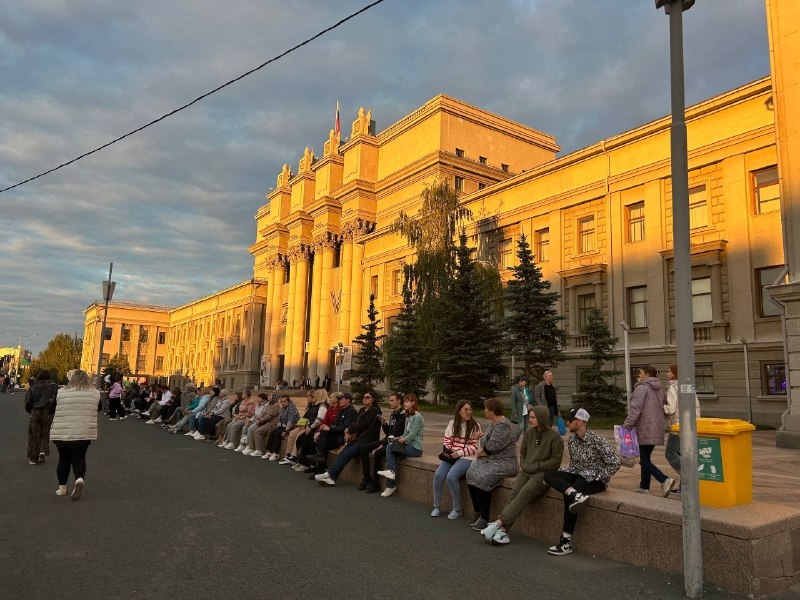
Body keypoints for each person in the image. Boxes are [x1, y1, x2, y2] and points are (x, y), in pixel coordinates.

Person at [479, 405, 563, 544]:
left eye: (532, 417)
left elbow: (555, 462)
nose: (529, 420)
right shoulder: (529, 433)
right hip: (526, 472)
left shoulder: (555, 438)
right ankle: (503, 532)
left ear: (541, 418)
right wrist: (524, 465)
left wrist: (536, 466)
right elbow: (523, 452)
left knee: (523, 495)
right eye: (529, 417)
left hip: (542, 476)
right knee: (513, 496)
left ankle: (498, 523)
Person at [543, 407, 620, 556]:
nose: (567, 423)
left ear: (579, 422)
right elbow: (574, 465)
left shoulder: (597, 440)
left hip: (596, 480)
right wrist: (563, 472)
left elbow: (615, 463)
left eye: (570, 420)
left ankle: (566, 542)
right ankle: (575, 494)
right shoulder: (572, 440)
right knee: (549, 475)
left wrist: (597, 475)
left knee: (569, 493)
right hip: (578, 474)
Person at [465, 398, 519, 531]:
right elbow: (488, 440)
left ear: (492, 412)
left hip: (505, 462)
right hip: (491, 459)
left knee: (484, 478)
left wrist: (479, 453)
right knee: (470, 473)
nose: (484, 411)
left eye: (486, 409)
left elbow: (491, 448)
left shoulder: (503, 426)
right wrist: (480, 436)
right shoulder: (493, 423)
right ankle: (477, 510)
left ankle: (484, 518)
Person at [49, 370, 100, 500]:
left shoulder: (62, 392)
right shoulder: (94, 393)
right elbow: (99, 407)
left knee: (63, 459)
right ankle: (79, 480)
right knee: (79, 458)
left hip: (62, 432)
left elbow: (51, 408)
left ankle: (62, 489)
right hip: (83, 432)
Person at [624, 365, 674, 497]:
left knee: (644, 460)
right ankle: (644, 486)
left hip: (645, 427)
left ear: (646, 375)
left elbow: (635, 409)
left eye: (640, 373)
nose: (638, 375)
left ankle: (664, 479)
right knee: (645, 457)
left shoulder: (641, 388)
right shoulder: (659, 388)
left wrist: (627, 425)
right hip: (656, 426)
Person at [315, 390, 382, 486]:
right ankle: (332, 479)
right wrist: (348, 432)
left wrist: (348, 430)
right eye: (363, 397)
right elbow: (355, 423)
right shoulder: (363, 410)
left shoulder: (374, 411)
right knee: (342, 453)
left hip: (367, 440)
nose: (364, 399)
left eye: (367, 397)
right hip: (357, 439)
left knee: (346, 454)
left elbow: (362, 425)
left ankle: (329, 473)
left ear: (373, 399)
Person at [431, 400, 482, 519]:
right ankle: (436, 506)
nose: (468, 412)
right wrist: (449, 451)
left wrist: (458, 453)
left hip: (467, 457)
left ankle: (457, 509)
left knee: (451, 476)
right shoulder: (452, 423)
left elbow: (474, 447)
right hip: (452, 456)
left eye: (470, 409)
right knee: (439, 474)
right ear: (459, 411)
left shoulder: (475, 425)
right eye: (466, 410)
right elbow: (447, 439)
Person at [663, 364, 701, 497]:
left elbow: (671, 408)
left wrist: (661, 407)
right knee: (684, 456)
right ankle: (682, 488)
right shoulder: (689, 386)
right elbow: (696, 406)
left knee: (671, 453)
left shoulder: (673, 387)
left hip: (678, 427)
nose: (667, 374)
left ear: (674, 373)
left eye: (669, 372)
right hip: (690, 425)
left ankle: (689, 478)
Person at [377, 393, 424, 497]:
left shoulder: (418, 416)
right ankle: (391, 481)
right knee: (390, 446)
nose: (405, 403)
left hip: (416, 447)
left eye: (407, 401)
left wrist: (402, 440)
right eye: (405, 401)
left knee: (392, 451)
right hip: (407, 444)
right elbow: (405, 433)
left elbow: (413, 434)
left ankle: (390, 484)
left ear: (413, 403)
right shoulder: (408, 416)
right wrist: (397, 438)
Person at [361, 392, 406, 493]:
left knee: (377, 453)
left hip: (395, 442)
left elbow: (395, 434)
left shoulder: (402, 415)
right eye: (389, 400)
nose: (389, 402)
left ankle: (376, 483)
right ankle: (366, 478)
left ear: (399, 401)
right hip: (388, 440)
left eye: (392, 400)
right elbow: (389, 432)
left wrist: (381, 445)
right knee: (364, 448)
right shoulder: (393, 414)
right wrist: (384, 424)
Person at [307, 392, 357, 475]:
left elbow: (345, 427)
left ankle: (321, 465)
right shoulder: (341, 410)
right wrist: (324, 430)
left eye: (342, 399)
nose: (340, 401)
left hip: (340, 437)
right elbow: (334, 424)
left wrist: (329, 428)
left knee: (322, 440)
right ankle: (321, 465)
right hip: (334, 435)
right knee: (321, 436)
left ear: (348, 401)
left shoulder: (351, 411)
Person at [24, 371, 58, 465]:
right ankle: (42, 450)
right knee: (45, 433)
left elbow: (28, 402)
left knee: (34, 435)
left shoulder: (33, 387)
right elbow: (57, 399)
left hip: (35, 412)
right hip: (48, 412)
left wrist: (30, 410)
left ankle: (33, 458)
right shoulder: (54, 387)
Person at [263, 395, 299, 460]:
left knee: (278, 434)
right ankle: (269, 451)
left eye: (284, 401)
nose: (282, 403)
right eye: (281, 402)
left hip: (290, 427)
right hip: (282, 426)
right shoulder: (282, 408)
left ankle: (276, 453)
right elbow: (280, 419)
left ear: (288, 401)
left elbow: (290, 421)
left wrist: (286, 431)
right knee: (272, 432)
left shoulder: (292, 408)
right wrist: (278, 427)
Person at [510, 375, 533, 440]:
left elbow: (531, 399)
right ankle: (514, 439)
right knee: (521, 426)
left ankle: (526, 441)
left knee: (527, 427)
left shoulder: (528, 390)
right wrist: (514, 411)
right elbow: (513, 401)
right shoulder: (515, 390)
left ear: (525, 382)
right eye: (519, 381)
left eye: (521, 381)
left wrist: (531, 405)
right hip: (519, 411)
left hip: (527, 411)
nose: (520, 382)